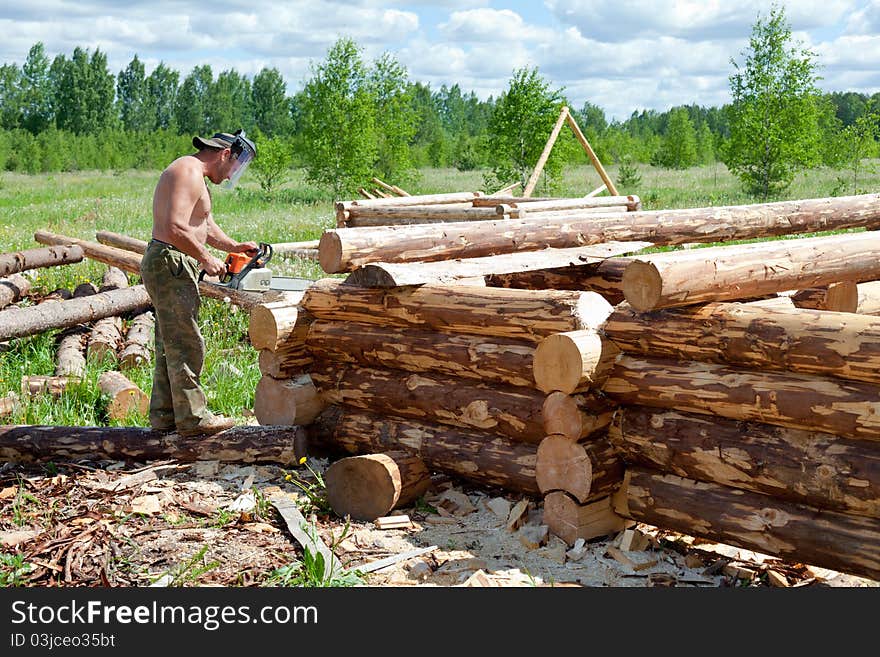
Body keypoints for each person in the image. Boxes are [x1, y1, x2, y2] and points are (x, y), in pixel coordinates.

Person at [140, 130, 258, 436]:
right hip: (171, 260)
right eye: (235, 164)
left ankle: (165, 415)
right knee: (186, 342)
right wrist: (206, 259)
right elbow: (175, 226)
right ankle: (193, 418)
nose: (233, 172)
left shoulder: (196, 175)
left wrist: (234, 247)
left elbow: (204, 225)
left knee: (171, 341)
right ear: (224, 154)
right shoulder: (187, 171)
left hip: (172, 261)